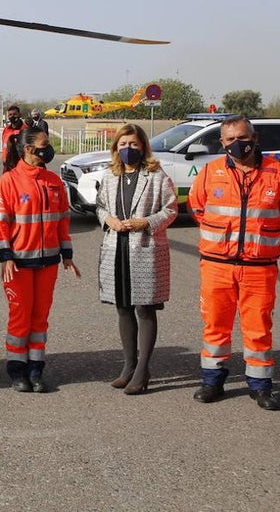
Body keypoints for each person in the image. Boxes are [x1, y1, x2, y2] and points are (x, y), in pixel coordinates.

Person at [188, 116, 280, 411]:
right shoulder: (210, 172)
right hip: (216, 265)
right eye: (230, 139)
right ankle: (213, 382)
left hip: (259, 268)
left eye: (242, 137)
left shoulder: (278, 173)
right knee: (215, 327)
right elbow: (197, 208)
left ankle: (260, 386)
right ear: (222, 143)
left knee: (258, 328)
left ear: (255, 137)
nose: (237, 144)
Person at [0, 124, 81, 392]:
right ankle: (17, 370)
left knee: (40, 318)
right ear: (29, 149)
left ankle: (36, 369)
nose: (48, 148)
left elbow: (62, 221)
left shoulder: (53, 181)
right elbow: (0, 223)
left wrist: (67, 254)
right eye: (44, 144)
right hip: (18, 264)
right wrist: (5, 256)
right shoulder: (9, 180)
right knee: (20, 317)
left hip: (48, 263)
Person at [94, 124, 177, 395]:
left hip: (145, 247)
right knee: (123, 307)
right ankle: (128, 366)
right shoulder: (109, 175)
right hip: (116, 248)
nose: (127, 149)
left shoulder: (156, 175)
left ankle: (143, 369)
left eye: (133, 144)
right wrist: (109, 220)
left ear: (142, 146)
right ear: (115, 147)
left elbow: (171, 209)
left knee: (144, 307)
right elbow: (100, 206)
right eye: (122, 145)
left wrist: (146, 222)